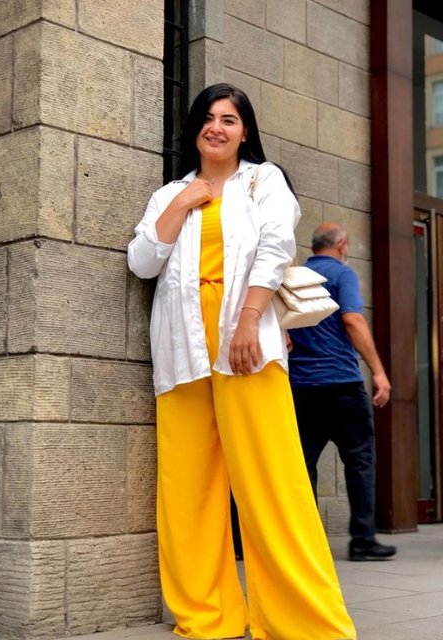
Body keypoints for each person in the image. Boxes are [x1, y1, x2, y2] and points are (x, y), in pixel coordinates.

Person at [128, 84, 356, 640]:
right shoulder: (169, 194)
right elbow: (142, 262)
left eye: (229, 119)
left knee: (271, 481)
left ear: (244, 130)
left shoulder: (263, 179)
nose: (217, 127)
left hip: (245, 342)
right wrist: (183, 204)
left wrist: (249, 320)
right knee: (188, 488)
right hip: (181, 350)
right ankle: (208, 618)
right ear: (195, 130)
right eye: (208, 118)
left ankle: (303, 622)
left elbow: (276, 248)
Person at [287, 222, 396, 563]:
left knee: (303, 465)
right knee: (360, 461)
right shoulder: (342, 275)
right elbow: (353, 320)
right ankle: (363, 541)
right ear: (343, 245)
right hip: (341, 384)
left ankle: (307, 545)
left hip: (301, 386)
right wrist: (378, 371)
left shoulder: (296, 276)